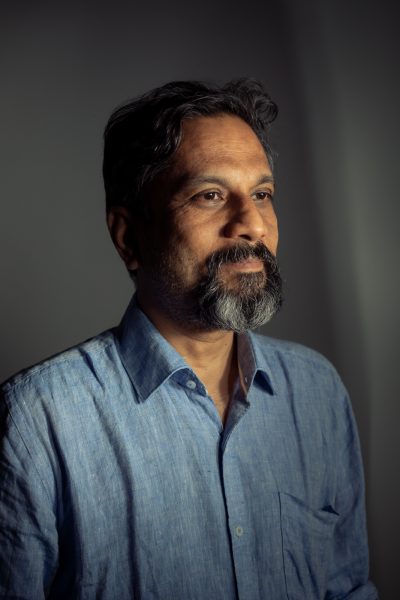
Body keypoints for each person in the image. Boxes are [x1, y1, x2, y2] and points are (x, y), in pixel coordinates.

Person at [0, 79, 377, 599]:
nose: (251, 225)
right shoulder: (37, 422)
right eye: (211, 195)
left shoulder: (318, 392)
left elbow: (348, 588)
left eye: (262, 194)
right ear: (129, 237)